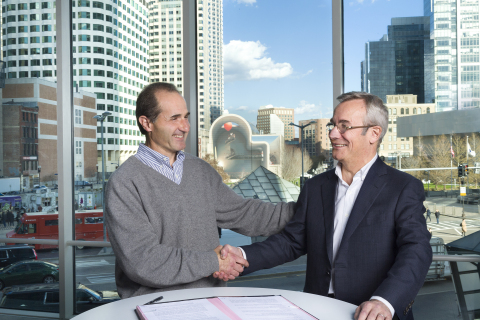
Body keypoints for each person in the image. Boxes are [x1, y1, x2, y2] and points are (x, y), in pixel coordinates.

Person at [218, 92, 432, 320]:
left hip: (371, 314)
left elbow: (416, 249)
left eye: (344, 126)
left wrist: (385, 301)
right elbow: (291, 242)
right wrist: (239, 255)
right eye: (333, 125)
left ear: (374, 133)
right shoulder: (315, 187)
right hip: (317, 309)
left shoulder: (403, 188)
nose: (332, 134)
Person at [105, 82, 295, 299]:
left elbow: (246, 214)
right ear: (147, 123)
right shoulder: (124, 182)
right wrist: (214, 261)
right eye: (174, 118)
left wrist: (309, 208)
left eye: (186, 117)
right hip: (155, 309)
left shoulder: (200, 171)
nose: (185, 126)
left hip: (210, 304)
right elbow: (143, 261)